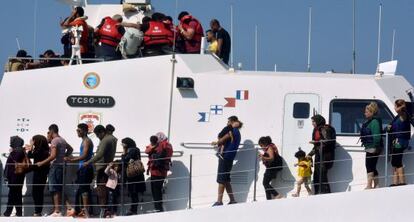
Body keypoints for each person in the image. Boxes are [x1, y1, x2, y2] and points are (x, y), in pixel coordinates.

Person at [36, 124, 74, 216]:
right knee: (59, 189)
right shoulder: (62, 140)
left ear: (52, 131)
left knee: (54, 189)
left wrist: (42, 163)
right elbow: (70, 149)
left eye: (49, 132)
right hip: (61, 167)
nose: (48, 134)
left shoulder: (54, 141)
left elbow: (53, 156)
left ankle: (57, 211)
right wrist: (64, 156)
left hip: (55, 167)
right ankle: (69, 208)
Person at [84, 125, 117, 218]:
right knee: (105, 190)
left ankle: (103, 211)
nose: (98, 137)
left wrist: (88, 162)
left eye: (97, 135)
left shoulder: (106, 140)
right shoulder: (112, 139)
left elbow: (100, 154)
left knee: (101, 190)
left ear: (101, 132)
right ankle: (105, 210)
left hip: (102, 168)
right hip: (106, 168)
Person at [65, 123, 94, 218]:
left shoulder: (86, 141)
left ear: (85, 131)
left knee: (84, 190)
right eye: (77, 130)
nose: (77, 132)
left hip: (86, 168)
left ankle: (86, 212)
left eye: (79, 130)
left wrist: (71, 160)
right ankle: (83, 210)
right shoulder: (84, 141)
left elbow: (85, 155)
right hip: (83, 168)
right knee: (81, 190)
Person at [211, 118, 242, 206]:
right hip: (230, 157)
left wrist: (216, 143)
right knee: (226, 179)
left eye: (228, 122)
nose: (227, 123)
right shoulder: (238, 133)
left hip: (225, 157)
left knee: (221, 179)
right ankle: (232, 200)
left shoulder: (231, 130)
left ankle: (219, 201)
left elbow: (223, 139)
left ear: (232, 122)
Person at [307, 114, 336, 194]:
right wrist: (309, 154)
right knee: (316, 176)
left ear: (318, 121)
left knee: (322, 177)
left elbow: (327, 141)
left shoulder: (324, 129)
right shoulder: (316, 129)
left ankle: (326, 194)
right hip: (319, 156)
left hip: (325, 156)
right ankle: (318, 193)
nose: (312, 123)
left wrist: (316, 142)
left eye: (313, 121)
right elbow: (317, 146)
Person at [145, 133, 173, 212]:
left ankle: (158, 208)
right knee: (158, 190)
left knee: (155, 190)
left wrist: (152, 146)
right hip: (163, 170)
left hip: (156, 171)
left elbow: (147, 151)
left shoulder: (160, 145)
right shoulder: (168, 145)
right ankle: (158, 208)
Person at [387, 99, 411, 186]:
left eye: (395, 106)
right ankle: (395, 182)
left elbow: (400, 110)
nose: (394, 108)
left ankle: (402, 182)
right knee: (394, 162)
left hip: (400, 142)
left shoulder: (403, 115)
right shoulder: (397, 117)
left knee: (398, 162)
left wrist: (401, 105)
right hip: (396, 142)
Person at [26, 135, 50, 216]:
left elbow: (29, 156)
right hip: (41, 174)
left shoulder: (41, 151)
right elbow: (31, 156)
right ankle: (38, 211)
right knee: (38, 193)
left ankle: (38, 211)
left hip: (39, 174)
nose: (32, 141)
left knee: (37, 193)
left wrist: (31, 146)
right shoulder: (43, 150)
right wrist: (31, 148)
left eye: (33, 140)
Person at [360, 102, 382, 189]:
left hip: (373, 148)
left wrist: (376, 147)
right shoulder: (369, 122)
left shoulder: (374, 122)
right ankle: (376, 185)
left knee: (369, 166)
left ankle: (369, 185)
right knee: (372, 166)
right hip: (369, 147)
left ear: (371, 112)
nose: (365, 113)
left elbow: (377, 136)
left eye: (366, 111)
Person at [121, 137, 146, 215]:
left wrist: (124, 152)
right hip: (137, 174)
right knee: (134, 193)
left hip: (133, 175)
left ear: (127, 143)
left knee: (133, 193)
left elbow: (124, 160)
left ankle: (133, 210)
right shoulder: (136, 149)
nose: (122, 145)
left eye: (123, 143)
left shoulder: (131, 150)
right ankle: (133, 209)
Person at [3, 136, 26, 217]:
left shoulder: (17, 151)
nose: (10, 143)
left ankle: (8, 212)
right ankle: (18, 212)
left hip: (15, 177)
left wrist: (11, 153)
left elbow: (13, 162)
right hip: (18, 176)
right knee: (17, 195)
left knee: (12, 195)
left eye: (12, 141)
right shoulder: (20, 151)